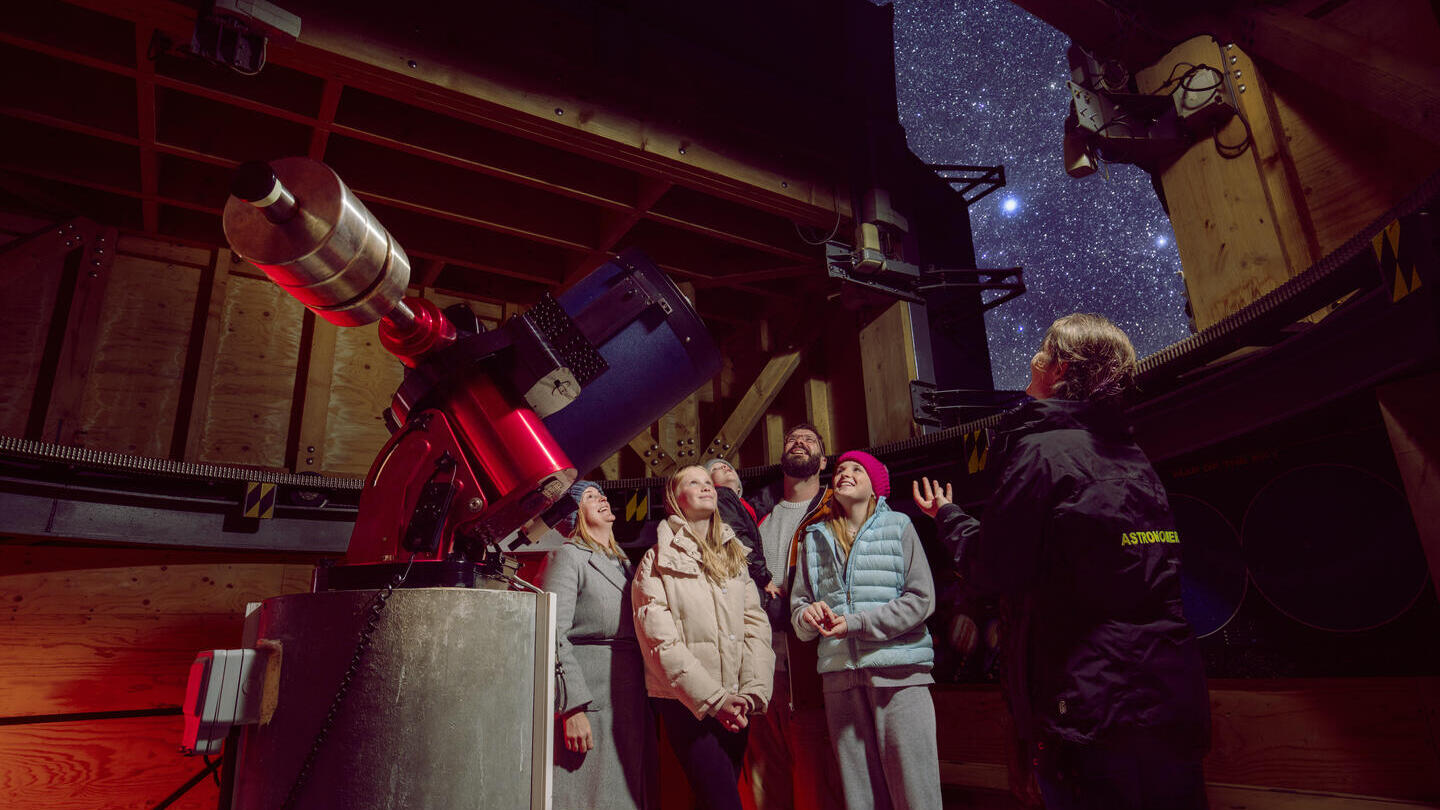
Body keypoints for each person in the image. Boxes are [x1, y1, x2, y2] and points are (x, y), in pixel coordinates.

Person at [913, 313, 1210, 810]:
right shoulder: (1134, 456)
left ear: (1061, 367)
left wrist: (947, 516)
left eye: (1043, 350)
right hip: (1167, 695)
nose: (1032, 359)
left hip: (1088, 707)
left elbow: (991, 569)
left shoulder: (1044, 453)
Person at [791, 450, 942, 810]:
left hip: (899, 676)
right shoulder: (814, 537)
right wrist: (807, 616)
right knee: (860, 798)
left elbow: (922, 600)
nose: (845, 473)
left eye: (857, 469)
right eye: (840, 469)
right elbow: (799, 607)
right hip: (840, 679)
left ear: (875, 486)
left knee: (915, 794)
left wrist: (858, 624)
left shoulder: (899, 526)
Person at [632, 465, 774, 810]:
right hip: (688, 705)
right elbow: (660, 643)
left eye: (708, 482)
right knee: (723, 802)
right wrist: (713, 700)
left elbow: (755, 624)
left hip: (737, 703)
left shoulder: (734, 556)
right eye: (694, 482)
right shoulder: (655, 561)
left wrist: (753, 693)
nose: (706, 487)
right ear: (675, 500)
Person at [742, 423, 845, 810]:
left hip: (813, 662)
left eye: (809, 441)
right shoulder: (758, 518)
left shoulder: (834, 508)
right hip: (763, 662)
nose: (798, 443)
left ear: (822, 461)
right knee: (765, 776)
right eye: (791, 440)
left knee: (818, 776)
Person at [537, 480, 656, 810]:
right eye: (590, 497)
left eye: (601, 494)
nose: (602, 498)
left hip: (629, 696)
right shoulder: (568, 556)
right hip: (592, 699)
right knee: (593, 797)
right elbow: (552, 633)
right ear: (575, 514)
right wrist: (572, 707)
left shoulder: (624, 564)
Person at [704, 457, 784, 619]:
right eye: (716, 468)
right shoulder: (721, 495)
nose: (725, 467)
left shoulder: (742, 504)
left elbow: (762, 501)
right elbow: (738, 538)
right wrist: (764, 579)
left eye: (727, 466)